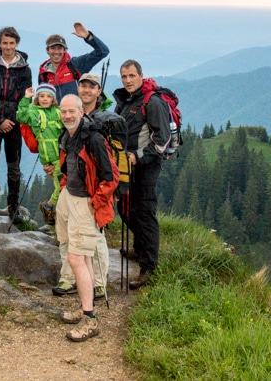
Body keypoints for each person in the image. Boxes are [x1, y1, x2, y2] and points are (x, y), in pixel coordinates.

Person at [55, 95, 118, 342]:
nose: (67, 116)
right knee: (82, 256)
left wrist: (95, 203)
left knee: (76, 259)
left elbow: (110, 177)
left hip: (84, 202)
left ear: (82, 112)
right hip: (69, 197)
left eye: (72, 111)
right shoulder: (68, 135)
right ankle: (85, 305)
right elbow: (68, 167)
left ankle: (90, 319)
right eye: (64, 112)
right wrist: (63, 187)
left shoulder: (93, 138)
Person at [113, 59, 170, 290]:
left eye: (131, 76)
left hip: (145, 167)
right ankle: (139, 249)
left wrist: (139, 156)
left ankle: (149, 268)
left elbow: (162, 139)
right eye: (124, 77)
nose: (127, 80)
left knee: (144, 213)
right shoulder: (126, 101)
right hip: (126, 165)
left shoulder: (152, 102)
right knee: (126, 208)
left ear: (141, 75)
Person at [0, 26, 32, 226]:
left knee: (14, 167)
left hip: (14, 124)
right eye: (5, 43)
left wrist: (8, 120)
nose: (8, 47)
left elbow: (24, 97)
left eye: (12, 43)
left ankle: (13, 209)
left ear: (17, 44)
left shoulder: (24, 69)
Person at [16, 84, 62, 223]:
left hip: (62, 153)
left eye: (48, 96)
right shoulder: (33, 111)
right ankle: (49, 206)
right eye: (42, 96)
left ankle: (50, 207)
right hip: (49, 156)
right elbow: (21, 116)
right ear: (37, 98)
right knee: (62, 186)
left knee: (63, 185)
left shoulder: (58, 111)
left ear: (53, 99)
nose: (45, 99)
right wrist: (26, 99)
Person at [38, 22, 109, 99]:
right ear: (47, 50)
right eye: (53, 48)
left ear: (65, 50)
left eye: (59, 48)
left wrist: (88, 37)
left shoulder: (75, 64)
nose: (56, 52)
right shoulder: (43, 73)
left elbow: (103, 51)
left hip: (76, 110)